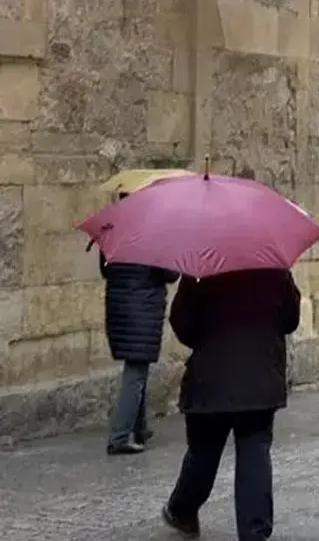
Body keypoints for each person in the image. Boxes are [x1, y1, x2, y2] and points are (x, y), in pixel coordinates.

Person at [161, 268, 301, 541]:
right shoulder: (273, 267)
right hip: (259, 377)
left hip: (211, 376)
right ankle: (254, 532)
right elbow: (290, 320)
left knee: (204, 449)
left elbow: (182, 323)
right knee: (254, 449)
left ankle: (182, 510)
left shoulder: (201, 269)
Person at [101, 193, 180, 455]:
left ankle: (140, 426)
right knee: (135, 372)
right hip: (142, 309)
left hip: (119, 307)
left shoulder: (111, 230)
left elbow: (105, 269)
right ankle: (120, 436)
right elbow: (170, 274)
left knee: (138, 367)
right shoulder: (152, 233)